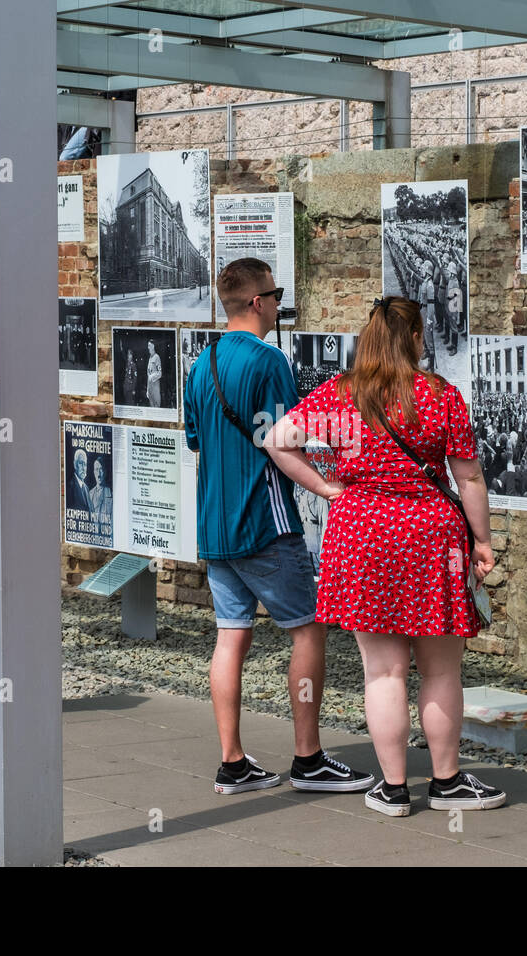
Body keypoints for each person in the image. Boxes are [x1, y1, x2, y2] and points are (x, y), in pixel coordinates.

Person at [265, 296, 506, 817]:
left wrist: (330, 489)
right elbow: (468, 476)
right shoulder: (441, 396)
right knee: (441, 671)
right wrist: (481, 542)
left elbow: (277, 441)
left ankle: (394, 789)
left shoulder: (341, 394)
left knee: (383, 672)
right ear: (415, 338)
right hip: (431, 538)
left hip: (361, 537)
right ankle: (446, 783)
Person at [183, 256, 373, 796]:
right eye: (276, 292)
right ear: (256, 301)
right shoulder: (268, 362)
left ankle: (232, 762)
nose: (279, 302)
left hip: (215, 525)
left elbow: (197, 439)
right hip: (264, 520)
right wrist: (334, 485)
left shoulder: (204, 362)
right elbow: (286, 439)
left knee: (230, 637)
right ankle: (308, 757)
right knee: (308, 629)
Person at [146, 338, 163, 408]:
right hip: (150, 388)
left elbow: (160, 373)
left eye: (149, 345)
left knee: (156, 407)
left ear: (153, 346)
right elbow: (148, 375)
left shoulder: (157, 357)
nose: (148, 347)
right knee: (151, 408)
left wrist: (152, 377)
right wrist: (147, 389)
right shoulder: (150, 358)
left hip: (155, 387)